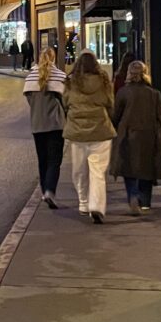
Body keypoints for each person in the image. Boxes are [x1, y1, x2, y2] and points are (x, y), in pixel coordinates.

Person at [110, 60, 161, 215]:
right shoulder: (154, 94)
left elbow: (115, 115)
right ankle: (145, 202)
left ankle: (133, 196)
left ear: (129, 74)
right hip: (148, 134)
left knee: (129, 169)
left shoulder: (123, 92)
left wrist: (113, 129)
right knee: (146, 169)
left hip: (128, 134)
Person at [64, 50, 116, 224]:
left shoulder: (71, 82)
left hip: (77, 132)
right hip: (100, 130)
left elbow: (65, 103)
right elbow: (110, 102)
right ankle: (97, 206)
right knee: (98, 171)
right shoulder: (103, 81)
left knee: (78, 170)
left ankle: (83, 202)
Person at [24, 47, 66, 209]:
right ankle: (50, 190)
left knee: (42, 160)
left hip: (37, 124)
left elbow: (29, 99)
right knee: (54, 161)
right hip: (56, 125)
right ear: (53, 58)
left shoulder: (31, 77)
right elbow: (66, 101)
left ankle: (44, 192)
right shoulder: (60, 77)